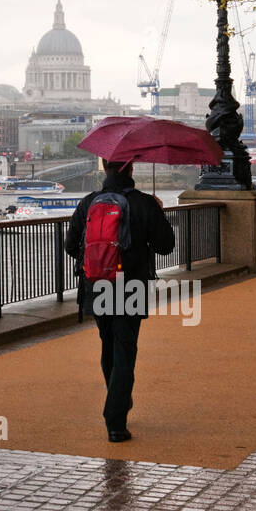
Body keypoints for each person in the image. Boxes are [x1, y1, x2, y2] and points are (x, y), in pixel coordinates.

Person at [64, 160, 175, 443]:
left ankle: (118, 397)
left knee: (109, 343)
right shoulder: (143, 203)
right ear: (131, 170)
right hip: (131, 285)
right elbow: (166, 246)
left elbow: (70, 246)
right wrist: (157, 213)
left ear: (106, 169)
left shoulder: (89, 202)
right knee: (126, 349)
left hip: (96, 283)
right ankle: (115, 420)